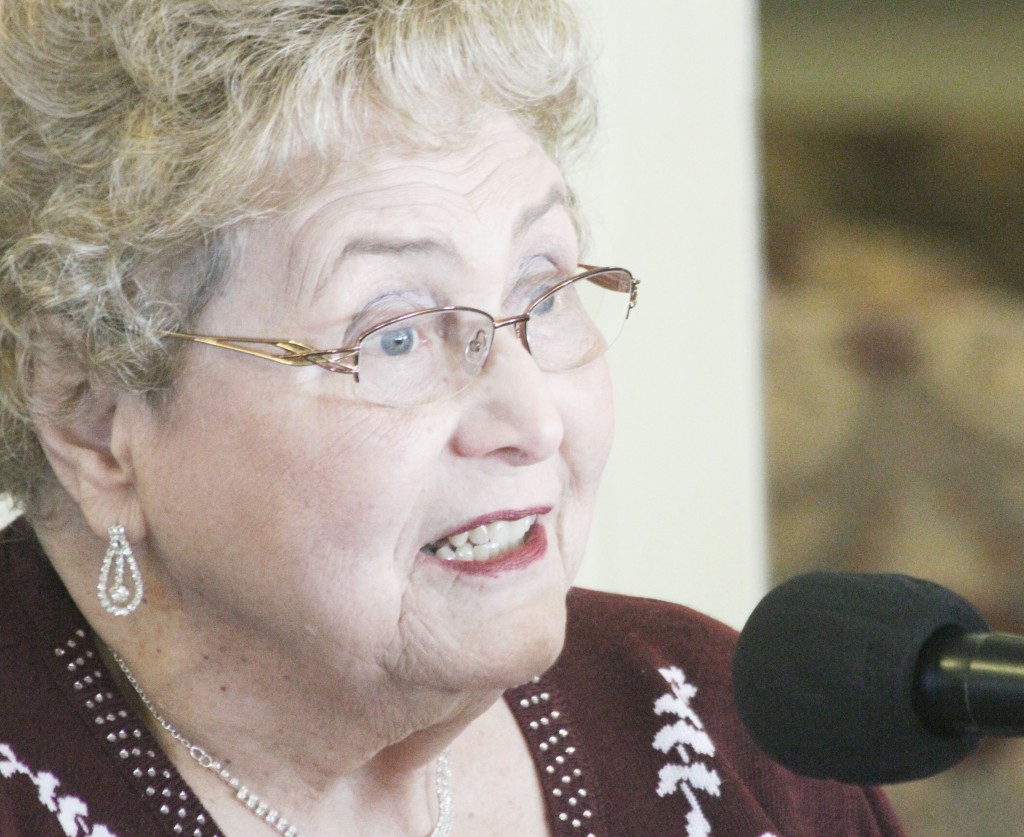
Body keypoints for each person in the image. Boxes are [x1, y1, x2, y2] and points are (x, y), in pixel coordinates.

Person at [0, 2, 904, 835]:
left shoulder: (728, 730)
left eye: (544, 293)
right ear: (90, 415)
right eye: (393, 335)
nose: (532, 420)